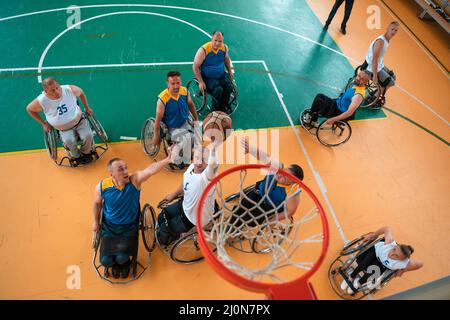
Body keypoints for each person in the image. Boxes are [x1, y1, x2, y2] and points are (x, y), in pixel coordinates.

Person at [92, 150, 174, 279]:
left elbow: (150, 170)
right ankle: (115, 264)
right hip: (109, 227)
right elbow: (97, 204)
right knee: (105, 261)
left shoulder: (134, 180)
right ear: (111, 173)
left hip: (129, 226)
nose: (125, 171)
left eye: (126, 168)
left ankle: (123, 265)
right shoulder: (102, 186)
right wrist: (96, 222)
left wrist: (166, 160)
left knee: (122, 258)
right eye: (120, 169)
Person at [227, 138, 304, 234]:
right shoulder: (278, 168)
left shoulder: (293, 193)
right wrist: (250, 149)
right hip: (258, 193)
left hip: (268, 207)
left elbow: (290, 211)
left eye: (285, 177)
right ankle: (230, 228)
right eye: (284, 171)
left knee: (249, 220)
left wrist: (274, 219)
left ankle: (238, 226)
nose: (280, 174)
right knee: (238, 210)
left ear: (293, 182)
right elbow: (265, 157)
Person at [156, 142, 219, 247]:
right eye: (197, 157)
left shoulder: (206, 177)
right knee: (162, 215)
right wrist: (174, 194)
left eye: (204, 160)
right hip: (185, 206)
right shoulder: (191, 168)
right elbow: (186, 181)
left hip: (194, 218)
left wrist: (216, 143)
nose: (199, 162)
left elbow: (214, 164)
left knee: (164, 229)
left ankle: (174, 238)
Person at [26, 77, 95, 165]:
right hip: (63, 128)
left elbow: (81, 93)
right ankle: (77, 156)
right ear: (46, 91)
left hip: (79, 121)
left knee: (88, 135)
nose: (57, 92)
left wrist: (87, 108)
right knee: (69, 141)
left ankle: (86, 153)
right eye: (52, 90)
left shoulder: (68, 89)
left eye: (57, 88)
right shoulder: (42, 100)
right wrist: (44, 124)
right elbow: (29, 109)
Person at [341, 226, 423, 295]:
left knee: (371, 273)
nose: (391, 254)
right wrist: (374, 234)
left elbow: (420, 264)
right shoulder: (390, 242)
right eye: (394, 250)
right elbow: (387, 228)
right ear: (394, 247)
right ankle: (351, 276)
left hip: (382, 264)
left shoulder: (403, 263)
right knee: (363, 264)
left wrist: (404, 270)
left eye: (396, 256)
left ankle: (358, 282)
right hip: (376, 252)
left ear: (401, 260)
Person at [152, 71, 199, 166]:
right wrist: (156, 135)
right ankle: (173, 151)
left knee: (196, 138)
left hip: (184, 123)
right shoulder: (163, 98)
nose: (176, 86)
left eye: (178, 83)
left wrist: (196, 121)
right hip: (171, 127)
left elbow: (191, 105)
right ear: (168, 83)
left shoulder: (184, 91)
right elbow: (158, 120)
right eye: (173, 83)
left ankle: (184, 152)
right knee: (188, 138)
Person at [302, 70, 370, 127]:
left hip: (338, 111)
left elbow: (349, 113)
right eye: (359, 76)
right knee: (320, 96)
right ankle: (313, 119)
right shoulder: (356, 84)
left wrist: (333, 119)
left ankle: (310, 120)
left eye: (362, 79)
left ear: (365, 82)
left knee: (319, 101)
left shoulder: (358, 96)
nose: (358, 79)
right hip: (337, 103)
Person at [193, 31, 235, 114]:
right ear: (212, 39)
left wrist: (230, 71)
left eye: (220, 41)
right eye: (215, 40)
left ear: (222, 41)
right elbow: (195, 66)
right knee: (218, 90)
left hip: (221, 74)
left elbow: (226, 59)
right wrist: (201, 82)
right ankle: (215, 108)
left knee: (229, 87)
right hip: (208, 77)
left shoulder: (224, 48)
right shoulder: (203, 50)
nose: (217, 43)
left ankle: (223, 106)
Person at [360, 21, 400, 106]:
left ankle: (378, 91)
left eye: (396, 30)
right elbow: (374, 59)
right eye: (392, 29)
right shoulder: (381, 42)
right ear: (387, 29)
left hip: (378, 65)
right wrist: (374, 76)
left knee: (393, 76)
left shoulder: (387, 40)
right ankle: (373, 98)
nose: (393, 32)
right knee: (390, 82)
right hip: (370, 67)